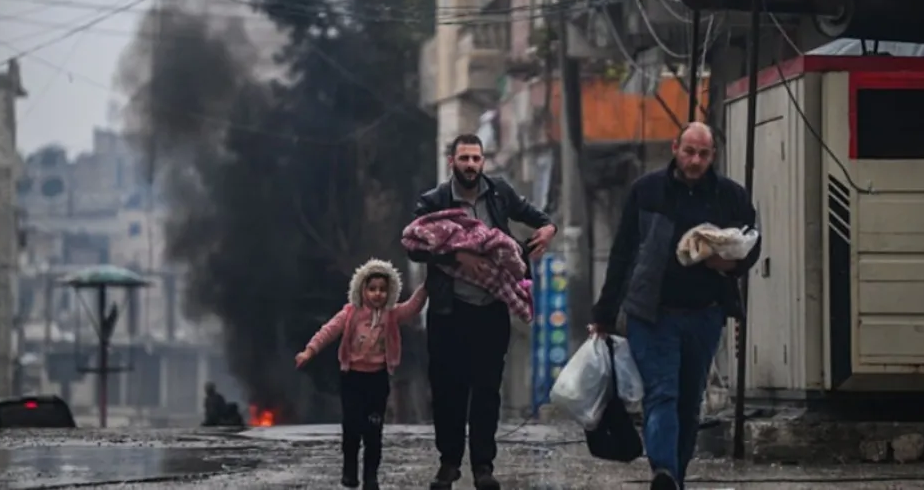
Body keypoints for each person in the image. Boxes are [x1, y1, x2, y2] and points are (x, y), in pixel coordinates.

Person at [590, 122, 761, 490]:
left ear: (713, 155)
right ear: (675, 148)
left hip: (705, 314)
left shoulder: (730, 196)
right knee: (661, 393)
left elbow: (751, 242)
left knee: (689, 402)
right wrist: (604, 312)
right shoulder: (647, 190)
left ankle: (674, 477)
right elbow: (622, 253)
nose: (695, 160)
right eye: (689, 152)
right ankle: (663, 470)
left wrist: (729, 263)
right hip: (652, 314)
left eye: (703, 154)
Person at [406, 133, 556, 490]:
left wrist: (549, 229)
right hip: (449, 311)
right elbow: (414, 247)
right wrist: (456, 255)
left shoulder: (499, 193)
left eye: (476, 158)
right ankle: (449, 463)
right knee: (448, 391)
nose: (471, 165)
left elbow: (536, 216)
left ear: (483, 161)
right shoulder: (434, 201)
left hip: (491, 309)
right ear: (452, 162)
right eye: (464, 158)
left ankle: (483, 466)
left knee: (487, 390)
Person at [296, 259, 428, 490]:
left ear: (390, 291)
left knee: (373, 432)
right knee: (352, 428)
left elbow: (412, 307)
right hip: (352, 379)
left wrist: (427, 286)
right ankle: (350, 471)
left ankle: (370, 477)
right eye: (372, 288)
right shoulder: (350, 313)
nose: (377, 294)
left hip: (377, 380)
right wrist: (310, 350)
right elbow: (329, 330)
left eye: (382, 289)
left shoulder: (391, 315)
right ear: (362, 289)